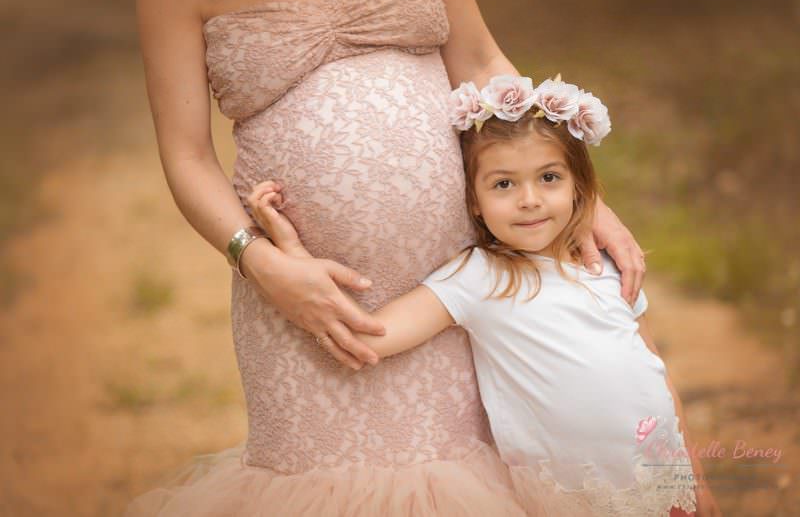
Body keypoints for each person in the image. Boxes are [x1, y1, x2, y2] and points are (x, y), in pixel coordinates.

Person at [128, 0, 649, 514]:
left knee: (473, 477)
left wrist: (588, 204)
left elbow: (478, 58)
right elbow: (187, 154)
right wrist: (260, 263)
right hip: (302, 301)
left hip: (459, 283)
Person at [246, 75, 722, 516]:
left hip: (661, 486)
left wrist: (692, 474)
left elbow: (654, 373)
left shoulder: (606, 264)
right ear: (474, 200)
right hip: (572, 500)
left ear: (580, 188)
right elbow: (366, 336)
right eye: (504, 184)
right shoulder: (479, 278)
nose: (529, 199)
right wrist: (293, 254)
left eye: (549, 178)